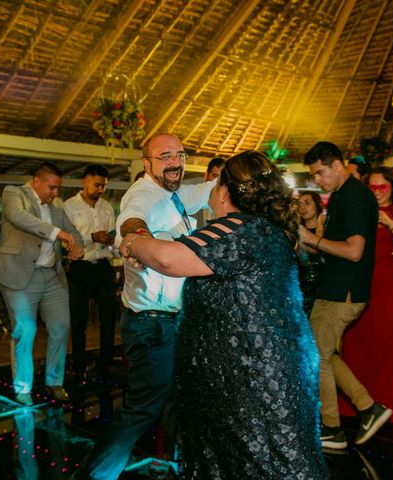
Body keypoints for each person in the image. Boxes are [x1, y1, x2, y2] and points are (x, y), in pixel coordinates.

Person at [119, 150, 328, 479]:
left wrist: (131, 240)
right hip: (267, 371)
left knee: (251, 464)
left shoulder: (239, 228)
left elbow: (170, 258)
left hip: (248, 381)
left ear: (226, 193)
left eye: (215, 186)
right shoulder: (266, 229)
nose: (211, 192)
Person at [75, 133, 214, 480]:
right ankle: (94, 475)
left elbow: (212, 187)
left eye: (179, 155)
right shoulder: (143, 194)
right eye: (164, 156)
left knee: (178, 401)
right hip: (152, 323)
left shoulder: (178, 193)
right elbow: (132, 223)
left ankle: (180, 467)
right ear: (147, 163)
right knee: (142, 408)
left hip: (174, 319)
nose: (174, 162)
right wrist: (137, 242)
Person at [301, 141, 391, 450]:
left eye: (321, 173)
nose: (317, 181)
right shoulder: (340, 196)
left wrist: (311, 237)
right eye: (314, 176)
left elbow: (354, 251)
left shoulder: (354, 196)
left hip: (344, 291)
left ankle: (332, 429)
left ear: (337, 165)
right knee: (324, 352)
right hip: (334, 287)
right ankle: (367, 407)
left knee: (317, 356)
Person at [0, 162, 84, 406]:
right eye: (52, 188)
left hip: (51, 276)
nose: (55, 193)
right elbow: (18, 218)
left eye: (58, 189)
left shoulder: (57, 208)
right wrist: (58, 234)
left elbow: (72, 232)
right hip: (19, 275)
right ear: (36, 181)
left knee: (61, 327)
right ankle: (22, 388)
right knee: (25, 330)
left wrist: (78, 245)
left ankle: (54, 381)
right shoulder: (14, 193)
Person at [338, 166, 393, 425]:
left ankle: (392, 402)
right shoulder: (361, 210)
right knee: (358, 339)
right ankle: (358, 402)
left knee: (389, 342)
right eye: (373, 188)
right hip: (361, 278)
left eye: (383, 187)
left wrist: (391, 224)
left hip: (391, 282)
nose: (378, 193)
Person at [64, 165, 118, 382]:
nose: (100, 189)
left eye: (104, 185)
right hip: (80, 266)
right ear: (84, 182)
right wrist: (91, 237)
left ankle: (105, 364)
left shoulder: (106, 207)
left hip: (103, 265)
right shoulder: (69, 206)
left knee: (108, 318)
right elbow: (66, 238)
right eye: (97, 185)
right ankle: (79, 364)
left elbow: (112, 233)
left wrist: (111, 239)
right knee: (78, 320)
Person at [297, 191, 325, 316]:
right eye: (300, 204)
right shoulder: (296, 230)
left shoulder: (329, 229)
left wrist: (320, 225)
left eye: (307, 203)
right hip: (302, 288)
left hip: (323, 288)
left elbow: (319, 249)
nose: (302, 207)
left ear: (318, 204)